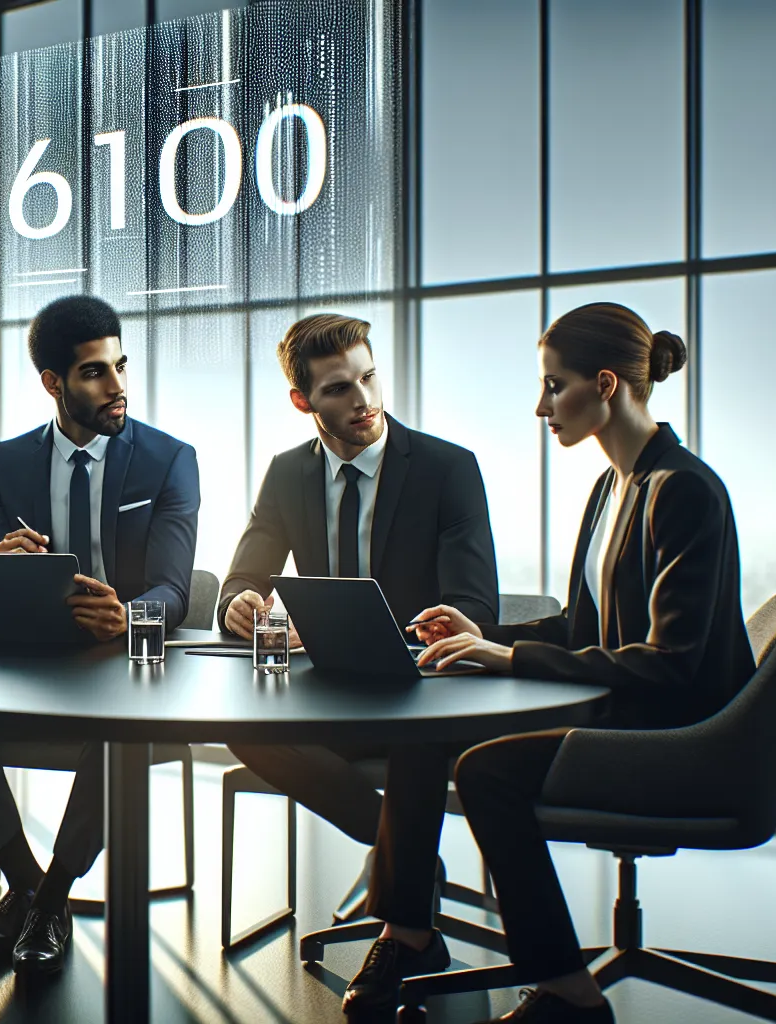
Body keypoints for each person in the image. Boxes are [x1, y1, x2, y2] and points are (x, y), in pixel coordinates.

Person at [414, 303, 753, 1024]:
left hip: (678, 739)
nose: (541, 407)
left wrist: (506, 659)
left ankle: (568, 994)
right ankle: (408, 932)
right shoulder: (612, 486)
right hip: (633, 716)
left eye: (553, 386)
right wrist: (488, 632)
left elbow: (673, 667)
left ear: (606, 384)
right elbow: (581, 627)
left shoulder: (682, 490)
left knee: (486, 772)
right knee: (431, 742)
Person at [213, 313, 499, 1019]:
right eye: (339, 388)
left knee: (417, 743)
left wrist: (428, 632)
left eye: (369, 377)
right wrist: (239, 607)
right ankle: (403, 856)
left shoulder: (446, 467)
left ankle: (407, 934)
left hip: (422, 695)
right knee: (245, 729)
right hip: (331, 693)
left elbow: (473, 603)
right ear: (304, 401)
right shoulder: (287, 474)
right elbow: (238, 580)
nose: (364, 399)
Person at [0, 294, 199, 975]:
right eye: (96, 372)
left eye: (121, 366)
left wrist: (130, 617)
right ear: (54, 383)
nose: (118, 386)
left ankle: (52, 894)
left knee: (120, 719)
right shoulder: (11, 461)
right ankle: (25, 880)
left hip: (120, 660)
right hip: (31, 656)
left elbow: (175, 591)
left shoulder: (168, 459)